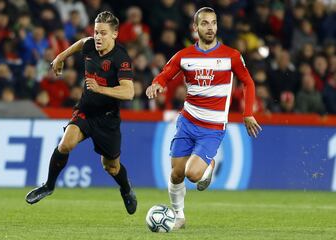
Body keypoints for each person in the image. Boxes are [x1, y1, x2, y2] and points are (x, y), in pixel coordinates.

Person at [146, 7, 262, 229]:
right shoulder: (184, 56)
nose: (210, 28)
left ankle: (208, 164)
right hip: (187, 122)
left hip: (213, 127)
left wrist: (247, 113)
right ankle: (179, 216)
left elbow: (248, 82)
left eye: (213, 23)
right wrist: (156, 85)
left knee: (192, 174)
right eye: (205, 23)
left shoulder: (232, 56)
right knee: (177, 173)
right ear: (196, 27)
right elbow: (165, 74)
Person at [25, 11, 137, 215]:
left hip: (108, 119)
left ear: (114, 34)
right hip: (85, 110)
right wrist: (60, 57)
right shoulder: (89, 45)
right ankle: (49, 186)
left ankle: (126, 189)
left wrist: (100, 89)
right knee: (65, 144)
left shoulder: (121, 58)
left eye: (103, 33)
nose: (98, 37)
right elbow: (81, 42)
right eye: (96, 32)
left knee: (111, 166)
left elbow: (129, 92)